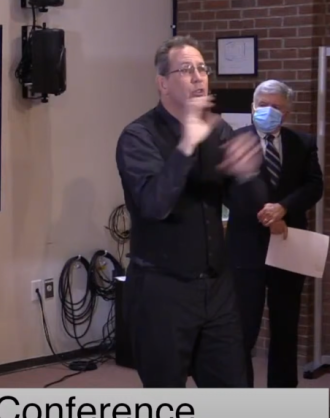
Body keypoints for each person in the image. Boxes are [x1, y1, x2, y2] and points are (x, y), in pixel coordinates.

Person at [115, 36, 268, 392]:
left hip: (216, 290)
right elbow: (154, 204)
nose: (199, 77)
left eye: (203, 68)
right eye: (187, 69)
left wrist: (247, 173)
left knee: (234, 394)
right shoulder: (138, 136)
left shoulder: (220, 131)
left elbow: (252, 207)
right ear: (163, 83)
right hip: (161, 291)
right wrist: (186, 144)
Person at [226, 79, 323, 388]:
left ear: (288, 111)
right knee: (244, 326)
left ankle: (281, 397)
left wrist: (282, 208)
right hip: (246, 246)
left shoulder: (304, 143)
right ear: (253, 108)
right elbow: (229, 191)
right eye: (263, 105)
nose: (269, 110)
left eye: (276, 106)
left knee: (286, 325)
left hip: (290, 243)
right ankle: (240, 397)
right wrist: (268, 216)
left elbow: (314, 186)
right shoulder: (233, 142)